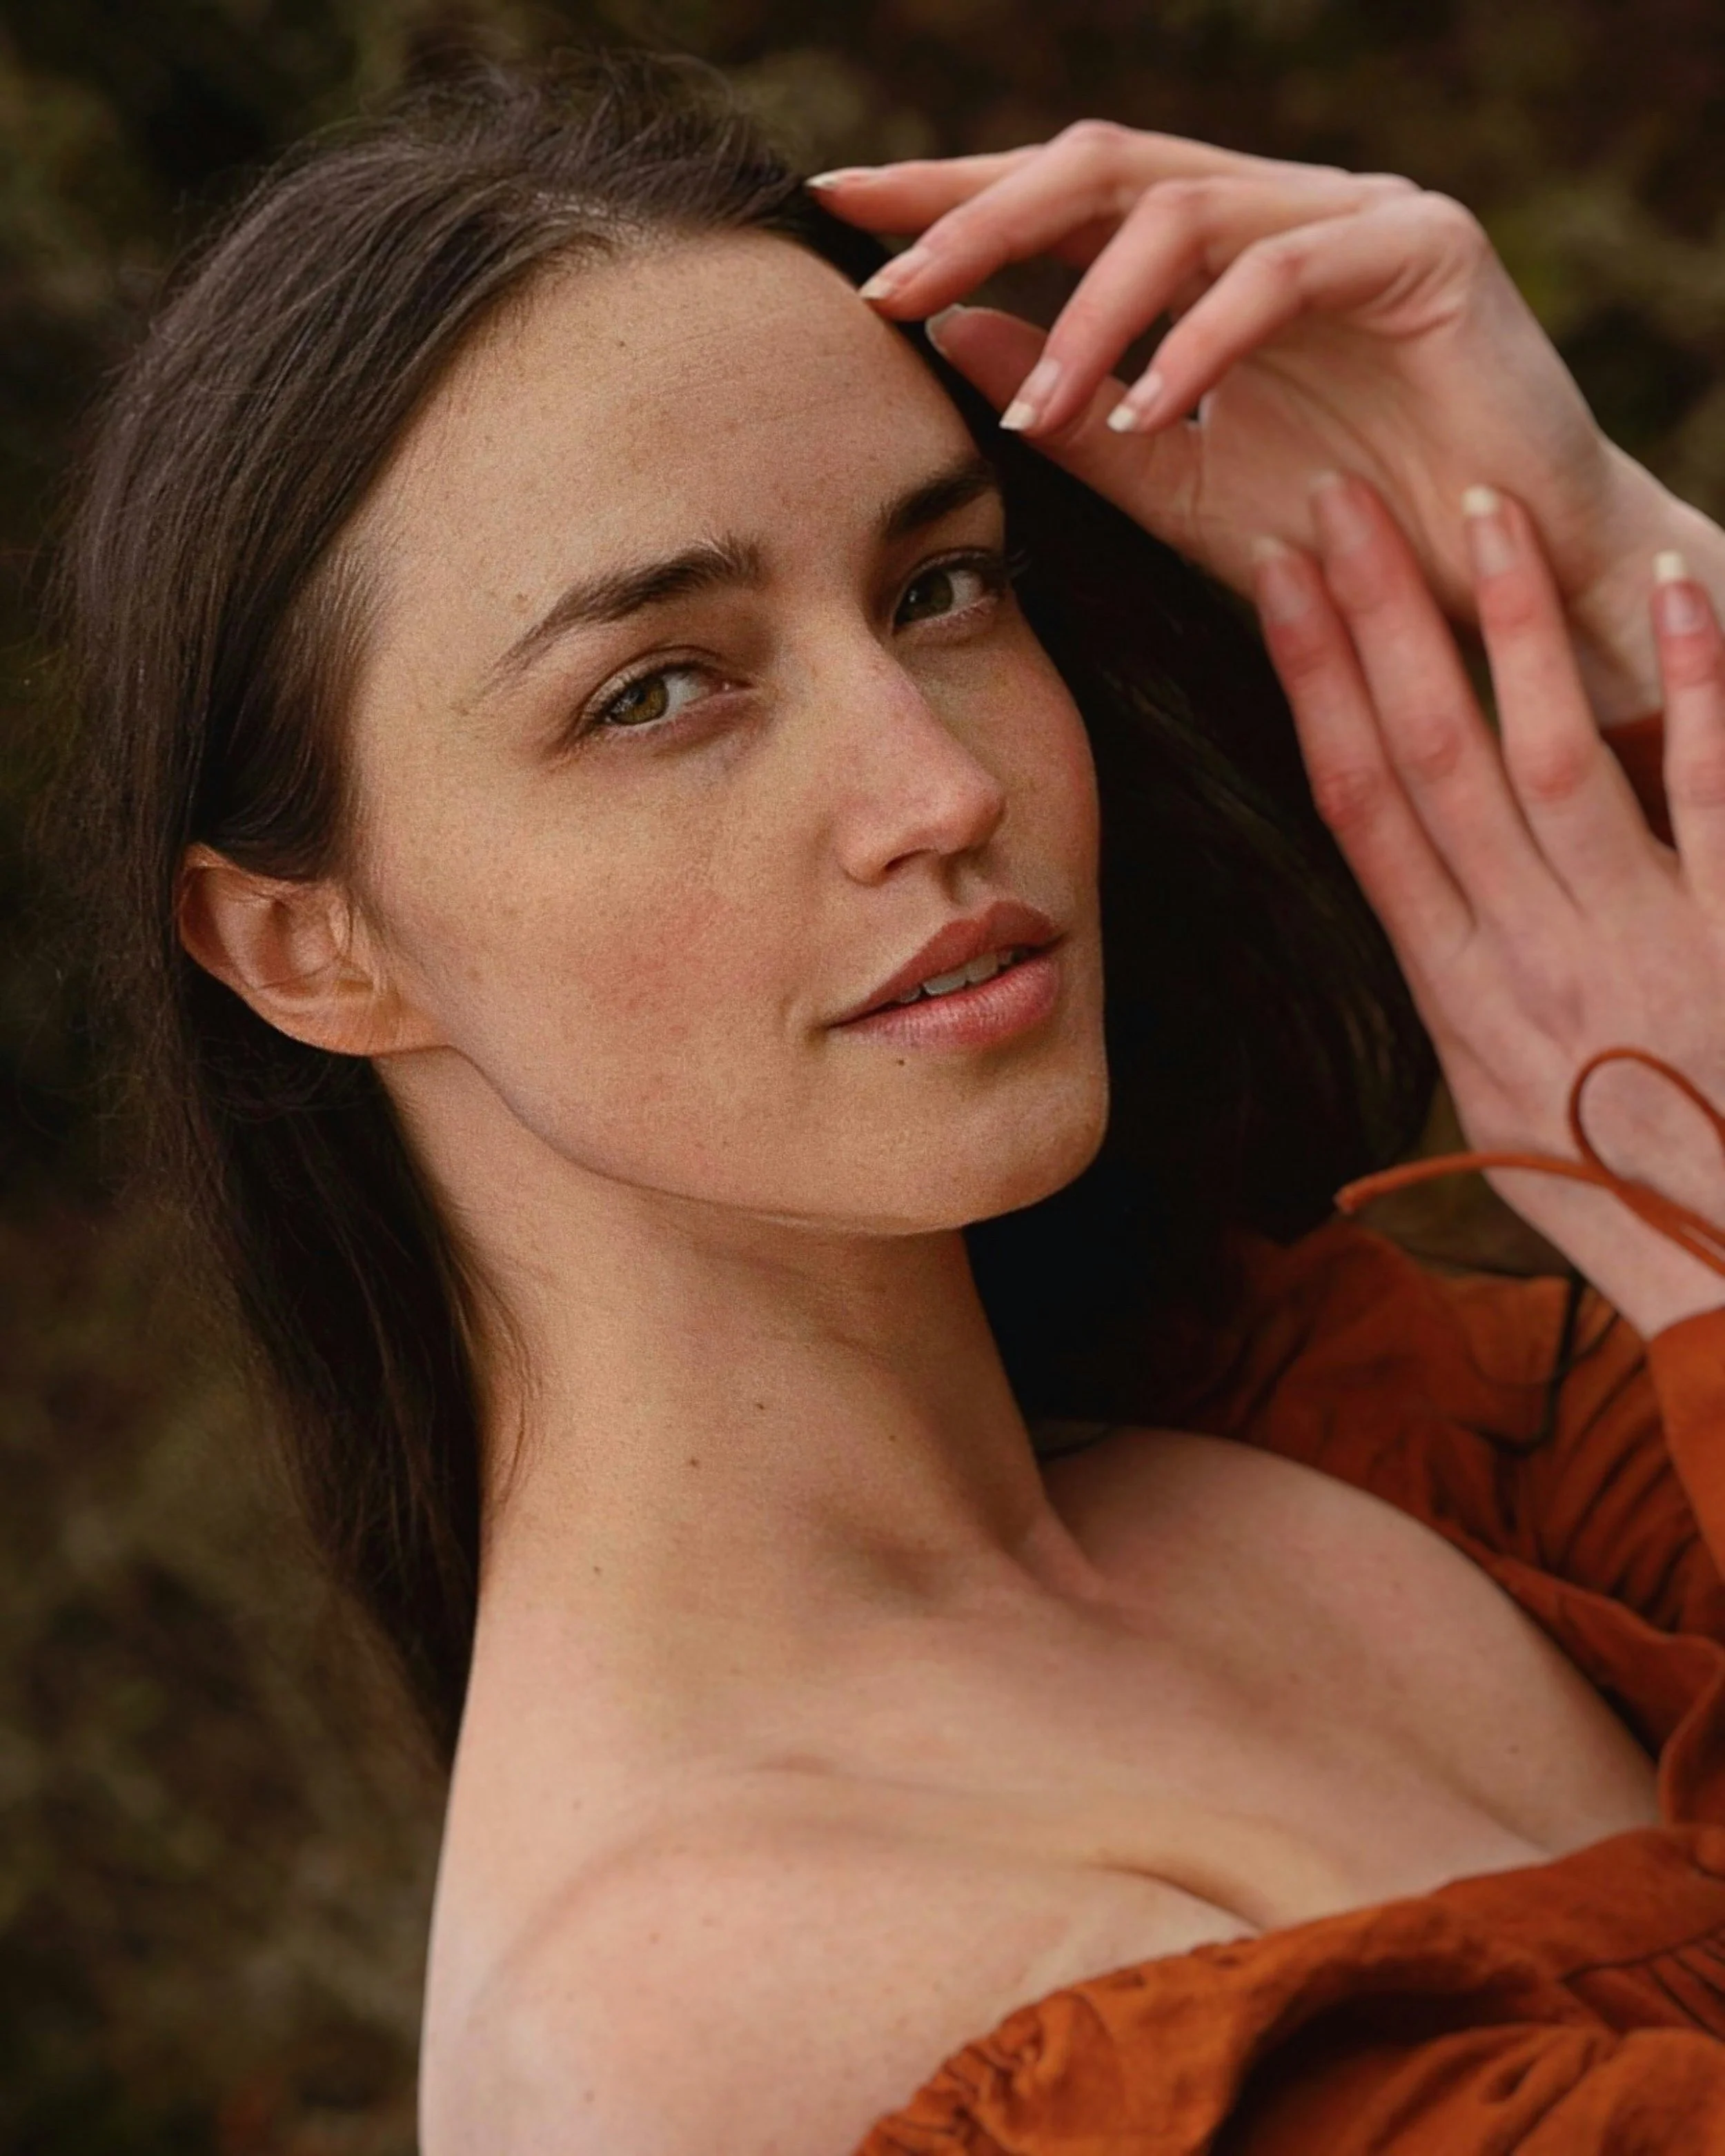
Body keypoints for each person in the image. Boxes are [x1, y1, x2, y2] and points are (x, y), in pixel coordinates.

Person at [52, 50, 1725, 2154]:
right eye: (657, 691)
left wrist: (1619, 599)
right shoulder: (743, 2006)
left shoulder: (1340, 1414)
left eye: (938, 588)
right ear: (310, 946)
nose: (943, 788)